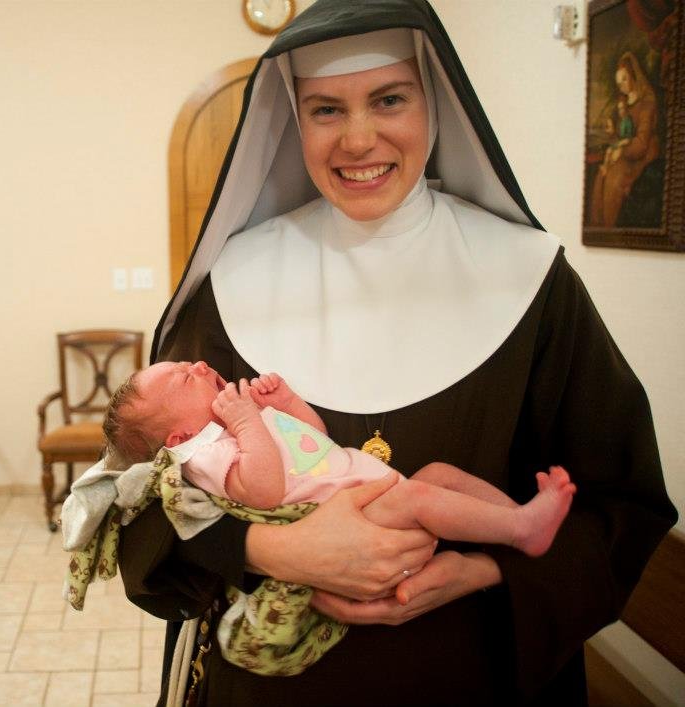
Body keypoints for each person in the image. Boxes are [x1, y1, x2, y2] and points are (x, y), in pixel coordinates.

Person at [114, 1, 677, 705]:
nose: (358, 138)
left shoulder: (531, 279)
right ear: (294, 118)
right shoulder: (230, 283)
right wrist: (271, 549)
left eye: (388, 98)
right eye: (325, 108)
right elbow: (140, 507)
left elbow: (620, 505)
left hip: (472, 672)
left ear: (432, 101)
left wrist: (485, 570)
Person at [105, 361, 576, 562]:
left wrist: (287, 404)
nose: (202, 367)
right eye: (187, 379)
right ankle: (521, 531)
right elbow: (266, 491)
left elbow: (317, 445)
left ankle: (517, 518)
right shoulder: (205, 455)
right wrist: (249, 421)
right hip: (356, 516)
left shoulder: (237, 426)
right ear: (179, 437)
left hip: (363, 484)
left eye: (194, 364)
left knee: (439, 474)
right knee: (423, 495)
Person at [589, 51, 661, 227]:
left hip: (642, 156)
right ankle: (602, 230)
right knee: (601, 176)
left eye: (624, 79)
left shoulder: (647, 104)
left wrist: (621, 150)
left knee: (615, 178)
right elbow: (623, 135)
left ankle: (610, 229)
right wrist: (613, 132)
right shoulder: (624, 104)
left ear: (634, 77)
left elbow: (641, 143)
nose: (621, 85)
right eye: (618, 82)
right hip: (626, 152)